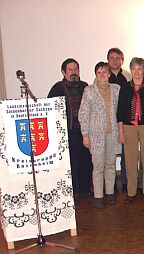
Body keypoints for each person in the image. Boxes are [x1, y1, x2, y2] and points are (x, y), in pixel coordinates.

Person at [48, 58, 92, 200]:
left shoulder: (85, 86)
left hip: (84, 131)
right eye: (70, 69)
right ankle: (71, 192)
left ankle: (85, 189)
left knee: (86, 161)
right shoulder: (57, 88)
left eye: (76, 69)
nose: (74, 72)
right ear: (63, 72)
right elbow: (51, 109)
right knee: (70, 162)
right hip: (68, 131)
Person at [79, 62, 121, 208]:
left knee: (110, 164)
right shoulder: (89, 91)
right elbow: (83, 114)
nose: (102, 75)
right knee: (98, 166)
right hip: (95, 134)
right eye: (99, 72)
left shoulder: (116, 89)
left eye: (105, 72)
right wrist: (85, 135)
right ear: (95, 75)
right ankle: (98, 196)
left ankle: (110, 194)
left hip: (112, 133)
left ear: (109, 74)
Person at [117, 57, 144, 203]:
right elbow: (119, 111)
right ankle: (131, 192)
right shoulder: (125, 88)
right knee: (130, 159)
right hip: (128, 126)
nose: (136, 72)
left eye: (139, 68)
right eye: (133, 68)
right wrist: (121, 131)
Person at [107, 47, 130, 193]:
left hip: (125, 120)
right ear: (108, 60)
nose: (114, 61)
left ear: (122, 60)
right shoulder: (102, 76)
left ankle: (127, 183)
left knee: (126, 152)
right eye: (111, 58)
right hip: (108, 120)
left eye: (117, 58)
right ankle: (112, 185)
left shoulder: (128, 76)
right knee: (110, 153)